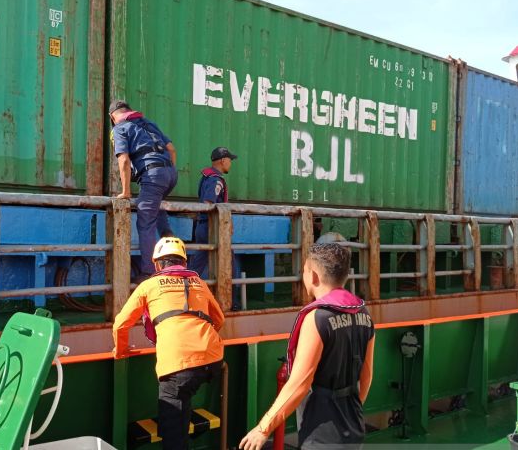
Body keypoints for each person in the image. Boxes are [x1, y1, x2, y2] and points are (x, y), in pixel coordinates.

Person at [239, 243, 376, 450]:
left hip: (321, 428)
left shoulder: (317, 318)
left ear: (312, 276)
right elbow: (366, 375)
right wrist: (351, 410)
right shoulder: (363, 312)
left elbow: (300, 383)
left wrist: (263, 428)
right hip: (353, 421)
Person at [113, 236, 225, 450]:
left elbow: (120, 325)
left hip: (177, 365)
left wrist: (121, 350)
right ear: (184, 263)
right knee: (185, 398)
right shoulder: (198, 282)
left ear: (157, 263)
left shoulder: (149, 285)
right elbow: (219, 319)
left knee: (173, 434)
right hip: (213, 359)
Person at [109, 100, 178, 280]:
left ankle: (149, 273)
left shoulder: (119, 128)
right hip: (170, 175)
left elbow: (123, 160)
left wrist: (126, 192)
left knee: (145, 223)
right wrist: (168, 170)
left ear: (112, 117)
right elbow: (172, 149)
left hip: (153, 175)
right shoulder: (148, 123)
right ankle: (173, 260)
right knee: (157, 212)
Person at [189, 147, 237, 278]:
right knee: (229, 264)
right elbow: (208, 203)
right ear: (222, 160)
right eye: (229, 160)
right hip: (211, 228)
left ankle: (184, 291)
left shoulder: (207, 177)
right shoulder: (215, 180)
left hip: (203, 225)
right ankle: (231, 298)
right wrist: (226, 223)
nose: (230, 163)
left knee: (197, 264)